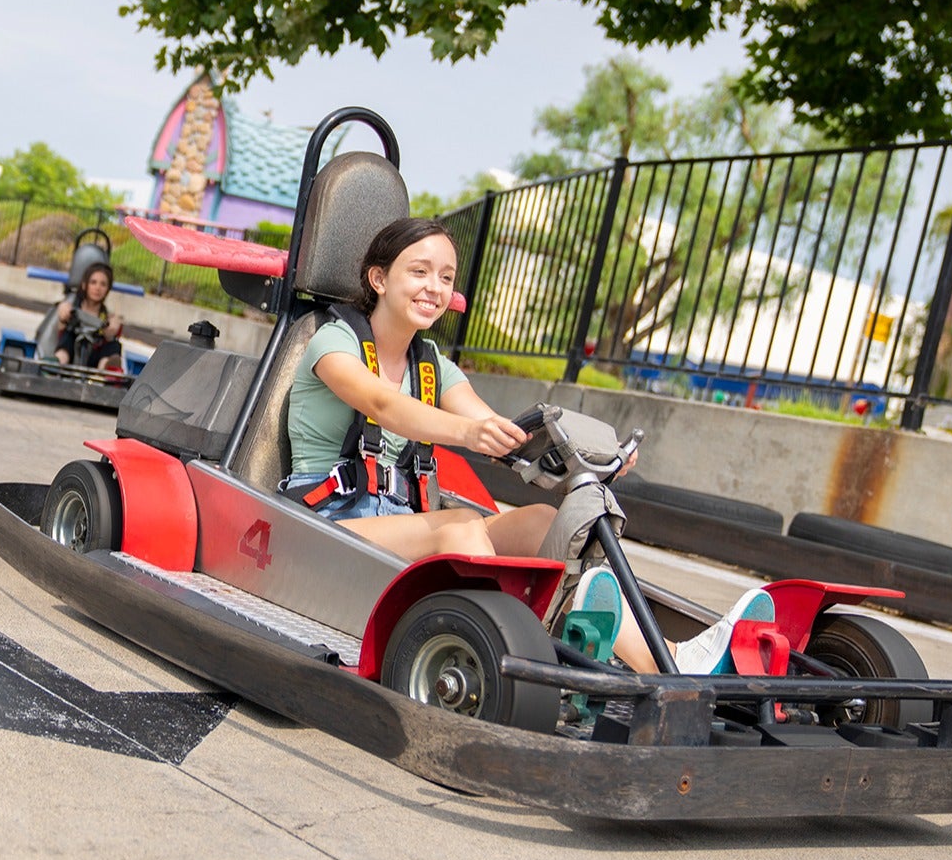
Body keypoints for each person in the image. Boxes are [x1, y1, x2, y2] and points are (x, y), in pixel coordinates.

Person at [281, 216, 773, 675]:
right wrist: (467, 435)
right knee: (461, 527)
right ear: (379, 279)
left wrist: (592, 457)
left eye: (447, 277)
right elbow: (383, 406)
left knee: (545, 523)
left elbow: (496, 428)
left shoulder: (431, 366)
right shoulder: (333, 342)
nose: (435, 287)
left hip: (397, 525)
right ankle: (513, 654)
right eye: (420, 271)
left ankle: (667, 663)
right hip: (327, 524)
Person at [53, 262, 125, 369]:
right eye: (93, 282)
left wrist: (112, 330)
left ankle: (107, 368)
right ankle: (58, 360)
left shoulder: (107, 317)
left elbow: (114, 327)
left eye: (103, 284)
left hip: (95, 362)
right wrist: (63, 312)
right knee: (68, 335)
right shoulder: (71, 308)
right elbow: (62, 316)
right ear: (84, 284)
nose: (97, 288)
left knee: (113, 344)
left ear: (107, 289)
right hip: (70, 356)